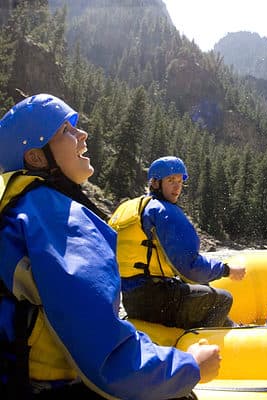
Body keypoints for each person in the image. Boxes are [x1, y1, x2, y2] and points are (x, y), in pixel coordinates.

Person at [0, 93, 221, 399]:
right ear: (37, 158)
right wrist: (190, 365)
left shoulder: (19, 210)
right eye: (67, 130)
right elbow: (107, 356)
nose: (83, 134)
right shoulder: (56, 216)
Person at [109, 156, 246, 330]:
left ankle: (233, 328)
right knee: (223, 299)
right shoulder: (163, 211)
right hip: (156, 299)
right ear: (156, 183)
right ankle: (202, 348)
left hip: (131, 300)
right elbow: (190, 267)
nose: (176, 187)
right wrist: (226, 270)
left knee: (203, 293)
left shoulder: (131, 208)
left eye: (180, 181)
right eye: (171, 180)